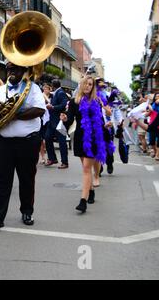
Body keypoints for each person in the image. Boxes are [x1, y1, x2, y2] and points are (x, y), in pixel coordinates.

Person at [0, 61, 46, 228]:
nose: (12, 72)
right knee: (2, 180)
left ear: (23, 70)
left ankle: (27, 212)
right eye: (9, 69)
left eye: (15, 69)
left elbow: (39, 110)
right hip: (3, 142)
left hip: (27, 141)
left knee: (26, 179)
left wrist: (14, 113)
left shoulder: (32, 88)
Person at [60, 76, 112, 213]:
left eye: (91, 84)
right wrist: (65, 118)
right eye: (86, 84)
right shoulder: (74, 102)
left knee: (86, 169)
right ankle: (92, 190)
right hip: (80, 137)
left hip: (94, 138)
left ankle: (83, 201)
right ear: (82, 85)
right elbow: (70, 120)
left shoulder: (96, 101)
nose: (88, 86)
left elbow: (100, 120)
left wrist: (106, 124)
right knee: (85, 166)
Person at [45, 79, 69, 169]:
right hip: (52, 122)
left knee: (62, 142)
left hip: (59, 121)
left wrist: (52, 107)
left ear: (52, 85)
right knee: (47, 138)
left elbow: (63, 105)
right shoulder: (56, 93)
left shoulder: (60, 93)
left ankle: (65, 162)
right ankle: (52, 159)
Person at [39, 83, 52, 164]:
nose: (45, 90)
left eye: (46, 89)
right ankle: (42, 156)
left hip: (49, 119)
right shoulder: (41, 96)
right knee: (41, 139)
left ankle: (48, 157)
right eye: (44, 89)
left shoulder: (52, 96)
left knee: (46, 138)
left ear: (49, 90)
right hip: (42, 119)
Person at [147, 93, 159, 160]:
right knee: (152, 141)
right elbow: (151, 111)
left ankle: (157, 155)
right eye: (156, 96)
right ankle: (155, 152)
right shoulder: (154, 104)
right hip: (152, 124)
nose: (157, 97)